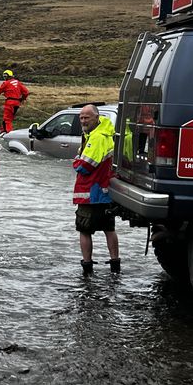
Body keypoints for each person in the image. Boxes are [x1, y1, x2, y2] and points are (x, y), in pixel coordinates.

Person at [73, 104, 120, 275]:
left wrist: (76, 161)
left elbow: (85, 166)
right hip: (105, 192)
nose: (83, 121)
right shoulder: (105, 134)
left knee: (84, 230)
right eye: (81, 118)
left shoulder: (97, 137)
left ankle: (87, 267)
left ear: (96, 117)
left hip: (91, 193)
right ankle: (115, 265)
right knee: (109, 229)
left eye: (87, 117)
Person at [0, 69, 29, 134]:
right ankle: (3, 131)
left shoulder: (6, 83)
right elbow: (26, 92)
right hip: (17, 103)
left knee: (7, 119)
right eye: (4, 76)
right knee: (8, 118)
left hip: (9, 103)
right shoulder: (18, 83)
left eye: (6, 76)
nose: (5, 78)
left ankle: (9, 134)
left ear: (9, 76)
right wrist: (22, 99)